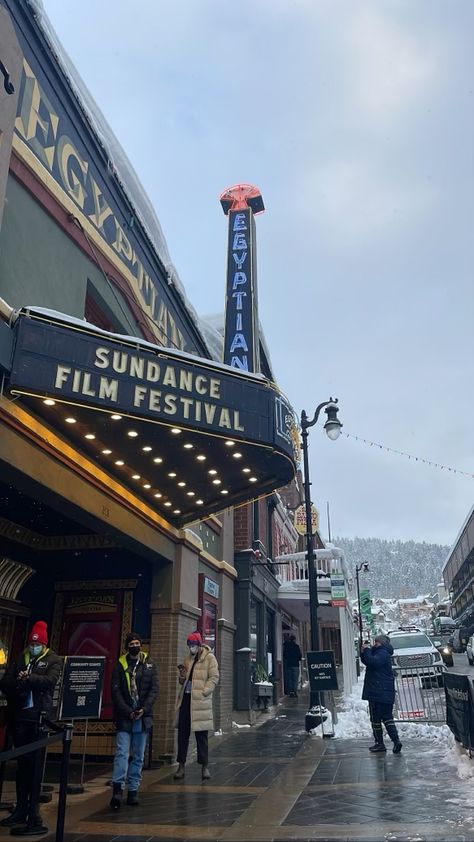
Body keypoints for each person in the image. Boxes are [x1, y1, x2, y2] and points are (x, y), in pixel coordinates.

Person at [0, 620, 62, 836]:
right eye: (31, 644)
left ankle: (34, 814)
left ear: (44, 644)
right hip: (19, 717)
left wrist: (29, 679)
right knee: (22, 766)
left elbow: (49, 682)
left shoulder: (53, 660)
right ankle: (20, 808)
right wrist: (19, 683)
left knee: (35, 767)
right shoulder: (20, 658)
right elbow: (6, 681)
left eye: (37, 644)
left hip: (39, 719)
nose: (34, 647)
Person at [110, 632, 158, 810]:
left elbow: (154, 689)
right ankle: (117, 789)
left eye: (137, 643)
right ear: (127, 646)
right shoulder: (119, 665)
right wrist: (128, 710)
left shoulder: (150, 664)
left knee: (138, 754)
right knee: (122, 752)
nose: (135, 646)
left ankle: (133, 790)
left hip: (142, 717)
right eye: (132, 644)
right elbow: (115, 691)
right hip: (125, 716)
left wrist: (144, 709)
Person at [174, 631, 219, 781]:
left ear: (199, 645)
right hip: (186, 699)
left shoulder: (209, 658)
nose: (191, 648)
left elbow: (214, 677)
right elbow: (183, 680)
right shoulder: (188, 659)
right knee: (183, 734)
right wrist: (181, 676)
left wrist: (205, 691)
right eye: (189, 645)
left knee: (201, 736)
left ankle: (204, 766)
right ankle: (181, 765)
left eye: (193, 645)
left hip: (200, 701)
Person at [361, 634, 402, 754]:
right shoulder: (382, 652)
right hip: (382, 692)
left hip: (378, 692)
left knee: (376, 719)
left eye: (377, 642)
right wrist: (364, 652)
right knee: (387, 718)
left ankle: (380, 743)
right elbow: (368, 661)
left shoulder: (382, 653)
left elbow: (373, 662)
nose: (375, 644)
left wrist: (367, 650)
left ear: (382, 643)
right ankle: (395, 741)